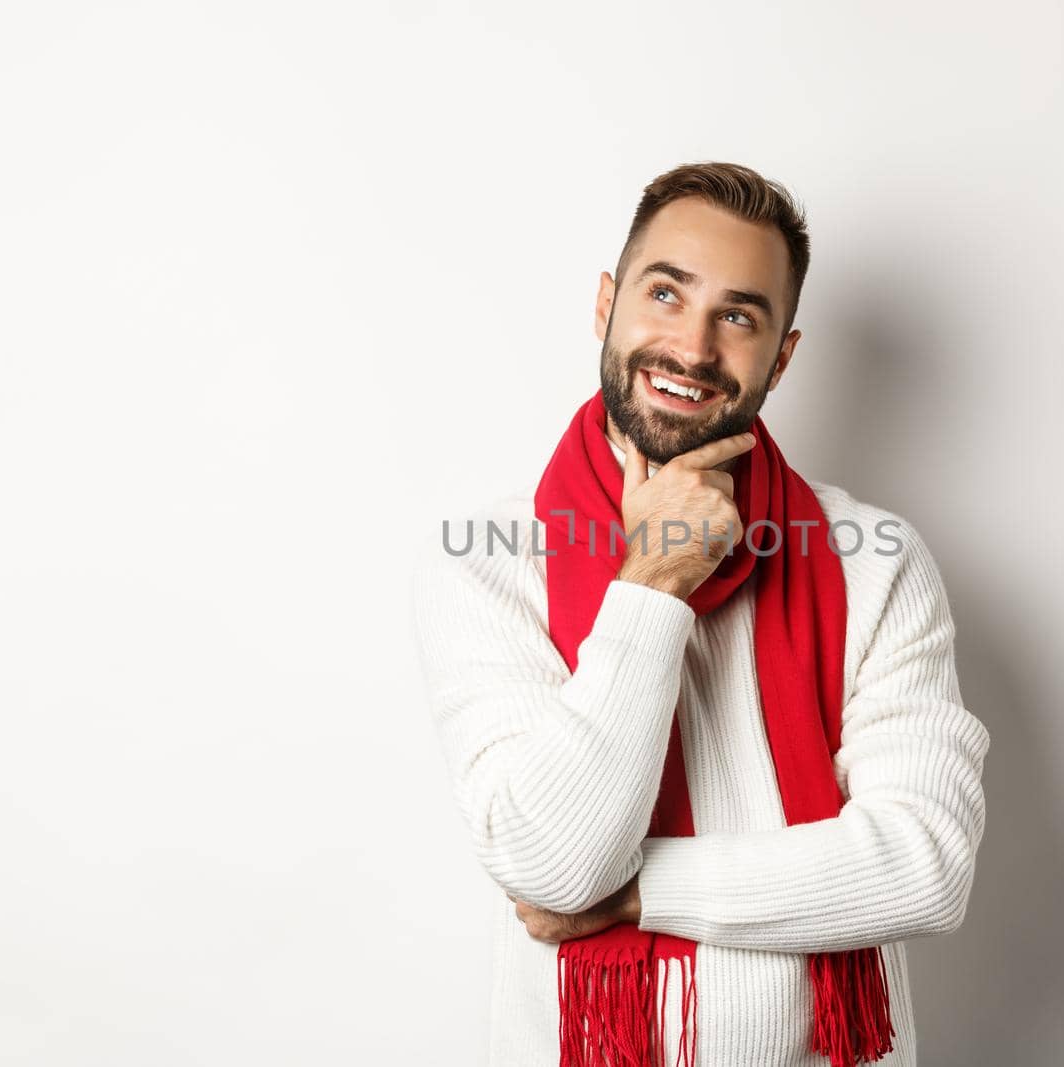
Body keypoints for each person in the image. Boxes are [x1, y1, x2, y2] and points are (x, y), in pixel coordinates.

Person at [410, 161, 991, 1067]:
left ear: (782, 356)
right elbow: (555, 863)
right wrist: (653, 580)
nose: (691, 346)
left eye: (737, 315)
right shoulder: (491, 560)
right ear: (606, 304)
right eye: (666, 292)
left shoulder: (875, 559)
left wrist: (638, 896)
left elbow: (924, 865)